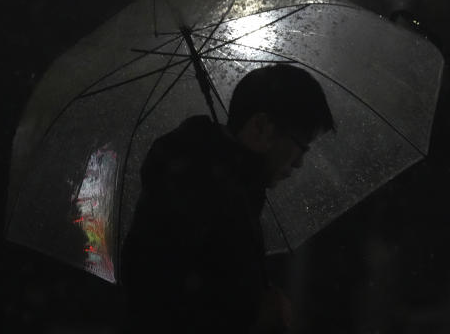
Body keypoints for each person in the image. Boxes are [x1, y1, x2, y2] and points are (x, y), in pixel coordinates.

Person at [121, 64, 335, 333]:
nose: (300, 162)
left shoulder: (231, 187)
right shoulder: (197, 189)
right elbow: (158, 306)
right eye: (301, 145)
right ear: (260, 127)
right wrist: (255, 316)